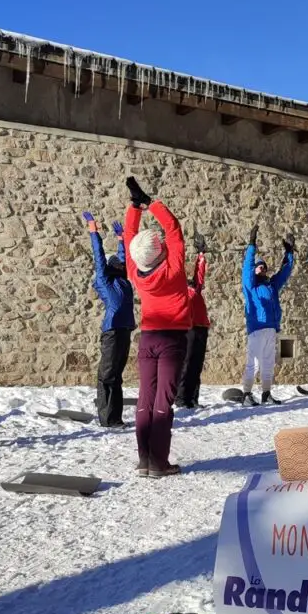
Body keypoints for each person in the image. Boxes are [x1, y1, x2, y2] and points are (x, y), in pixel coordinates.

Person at [124, 176, 191, 478]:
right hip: (172, 339)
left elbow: (129, 239)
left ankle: (144, 460)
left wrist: (135, 208)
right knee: (164, 401)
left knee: (145, 400)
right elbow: (174, 229)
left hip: (148, 338)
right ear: (161, 253)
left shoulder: (135, 272)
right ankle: (159, 463)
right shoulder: (174, 270)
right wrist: (150, 203)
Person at [81, 211, 135, 427]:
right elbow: (99, 257)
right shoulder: (105, 280)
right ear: (112, 268)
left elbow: (123, 259)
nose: (122, 265)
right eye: (118, 264)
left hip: (123, 330)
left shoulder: (123, 280)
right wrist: (94, 231)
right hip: (112, 332)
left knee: (116, 377)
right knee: (107, 376)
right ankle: (108, 419)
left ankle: (115, 417)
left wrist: (122, 239)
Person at [241, 225, 295, 406]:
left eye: (263, 267)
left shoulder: (271, 286)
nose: (261, 269)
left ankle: (266, 393)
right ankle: (246, 394)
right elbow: (247, 270)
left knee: (268, 364)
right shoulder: (251, 285)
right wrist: (251, 245)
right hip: (256, 329)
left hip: (271, 329)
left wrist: (289, 253)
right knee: (253, 364)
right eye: (258, 267)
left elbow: (285, 272)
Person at [176, 230, 210, 409]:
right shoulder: (180, 291)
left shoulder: (195, 289)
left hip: (201, 327)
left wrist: (201, 255)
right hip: (187, 328)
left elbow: (199, 274)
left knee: (197, 364)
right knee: (187, 363)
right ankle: (181, 398)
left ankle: (193, 398)